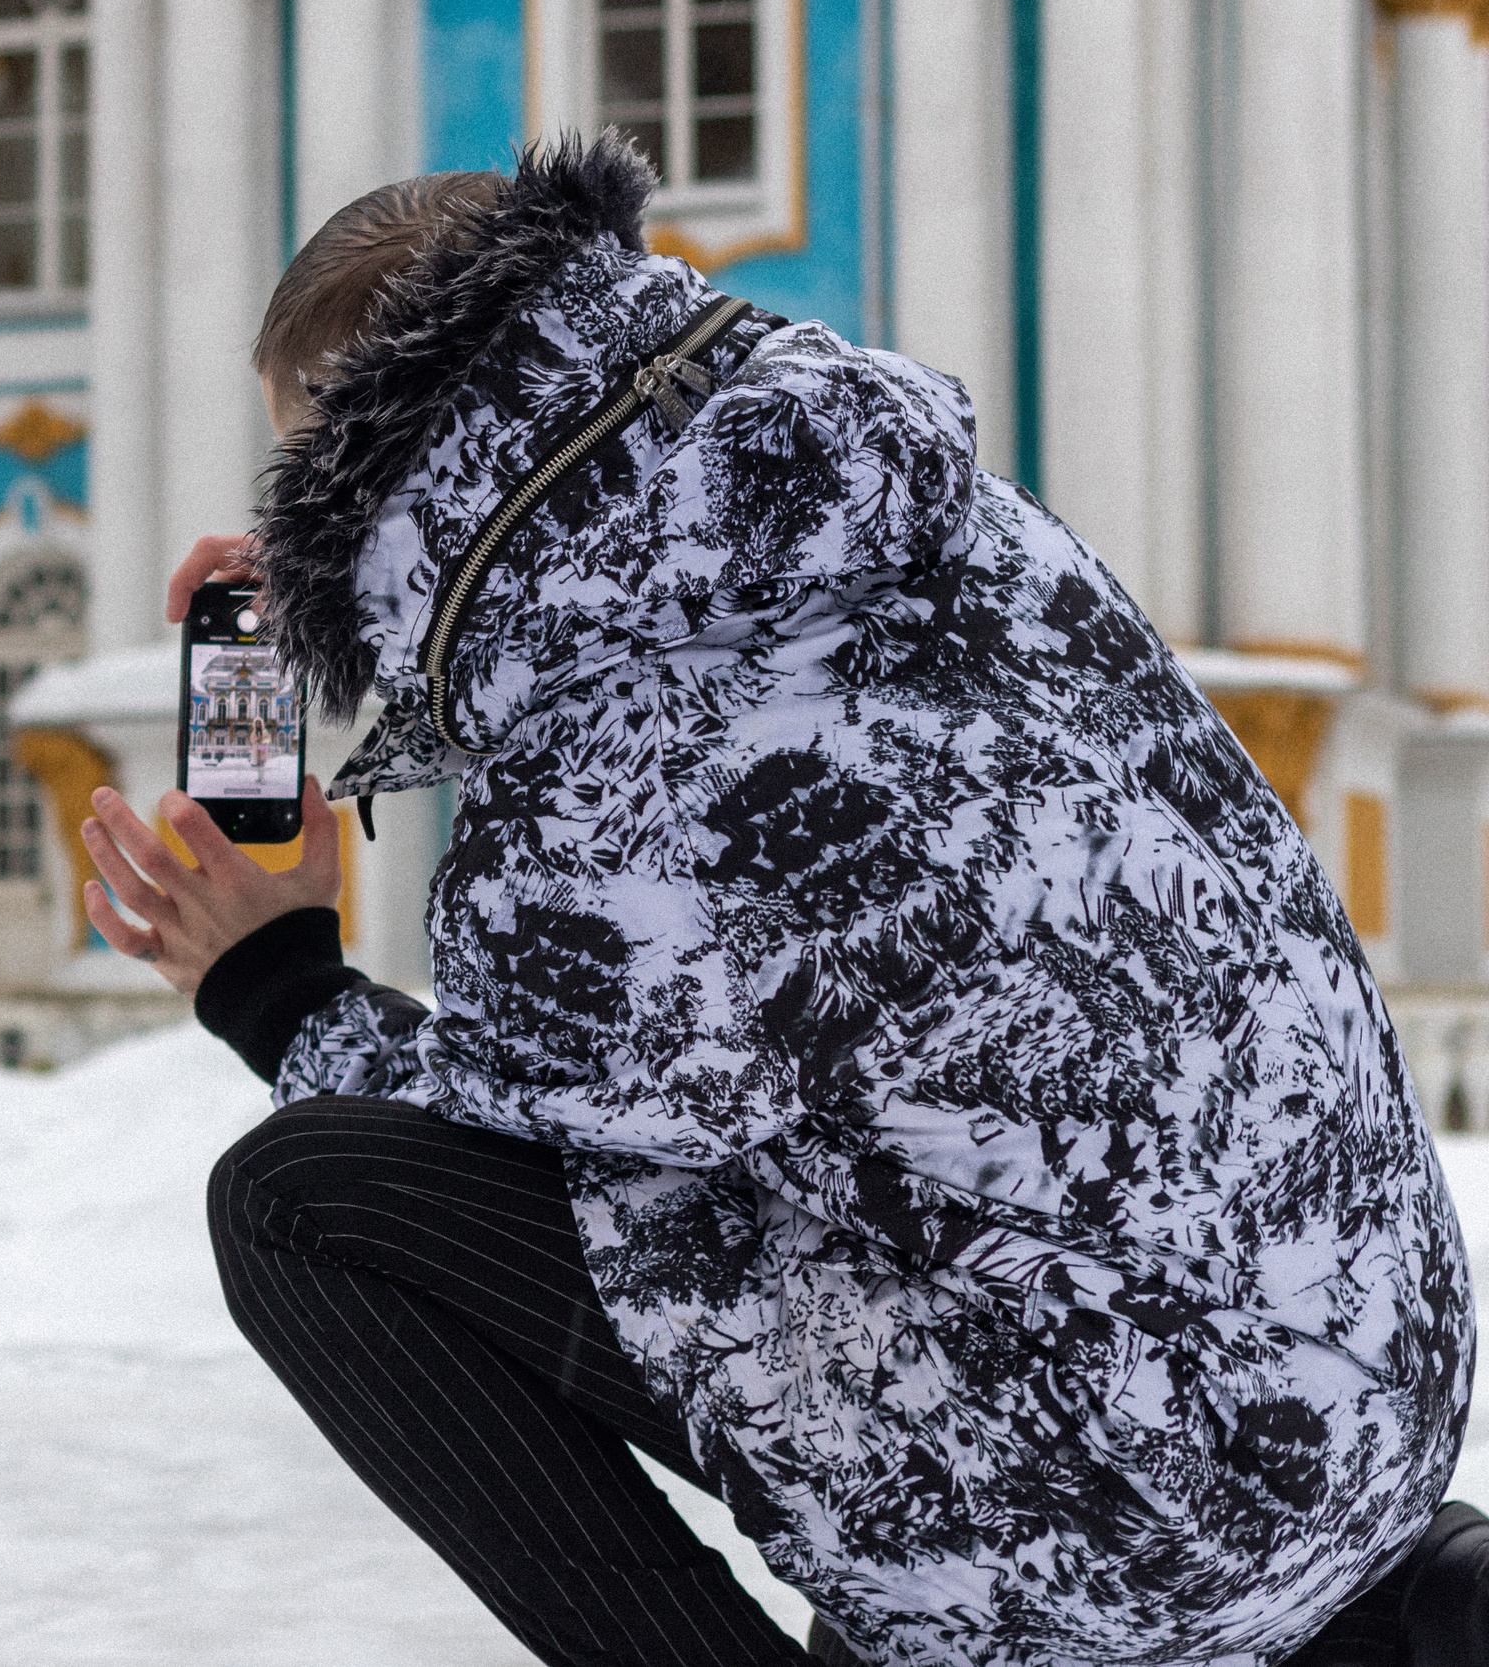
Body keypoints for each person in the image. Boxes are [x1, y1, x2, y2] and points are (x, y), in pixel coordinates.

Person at [78, 135, 1485, 1666]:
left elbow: (492, 1149)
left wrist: (271, 976)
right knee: (838, 1270)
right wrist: (412, 597)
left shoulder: (598, 790)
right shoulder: (934, 517)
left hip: (1159, 1519)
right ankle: (1370, 1612)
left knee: (298, 1196)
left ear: (383, 480)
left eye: (310, 483)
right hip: (1373, 1388)